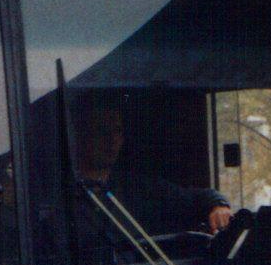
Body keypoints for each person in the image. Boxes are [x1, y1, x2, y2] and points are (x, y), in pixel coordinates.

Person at [73, 96, 233, 235]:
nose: (112, 139)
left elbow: (195, 198)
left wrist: (218, 206)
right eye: (102, 130)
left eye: (117, 131)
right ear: (81, 136)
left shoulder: (135, 187)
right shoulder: (67, 193)